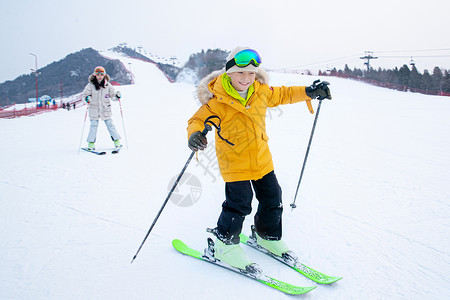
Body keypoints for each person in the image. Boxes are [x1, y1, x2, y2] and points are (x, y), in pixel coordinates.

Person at [187, 47, 331, 272]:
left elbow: (284, 94)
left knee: (273, 198)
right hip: (234, 163)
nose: (246, 79)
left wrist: (309, 91)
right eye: (240, 73)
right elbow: (196, 120)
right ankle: (224, 245)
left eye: (252, 74)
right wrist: (195, 134)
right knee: (239, 204)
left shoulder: (261, 91)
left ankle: (267, 236)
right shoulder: (217, 101)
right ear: (228, 73)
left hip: (262, 159)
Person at [82, 66, 122, 150]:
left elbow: (113, 97)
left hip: (105, 109)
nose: (99, 76)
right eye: (98, 74)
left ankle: (117, 142)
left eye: (101, 74)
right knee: (93, 126)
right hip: (94, 109)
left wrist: (117, 96)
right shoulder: (90, 85)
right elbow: (85, 96)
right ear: (95, 75)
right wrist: (87, 98)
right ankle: (91, 144)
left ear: (104, 75)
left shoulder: (108, 85)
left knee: (110, 125)